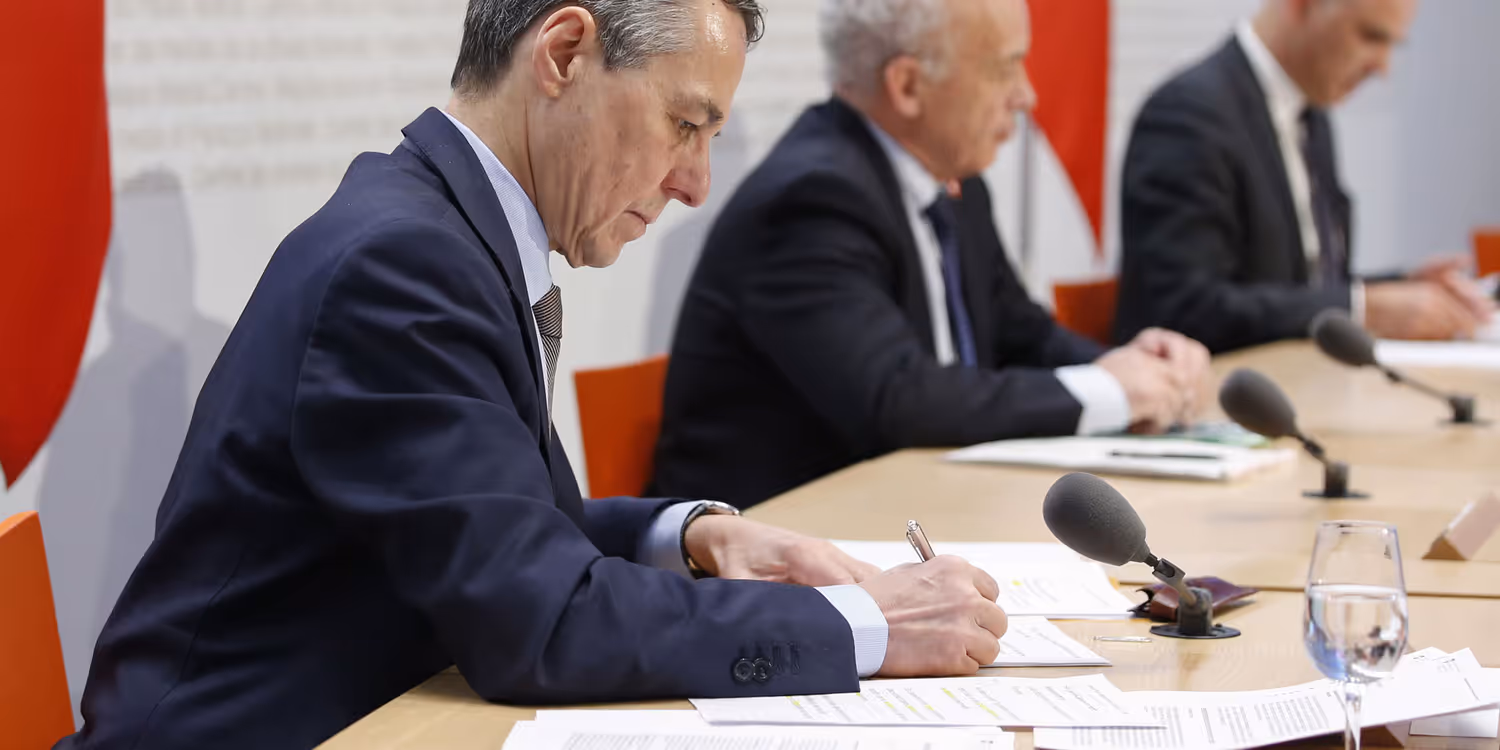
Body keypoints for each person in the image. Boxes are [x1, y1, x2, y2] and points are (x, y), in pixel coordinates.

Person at [57, 2, 1010, 748]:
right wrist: (862, 624)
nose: (695, 183)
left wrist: (692, 536)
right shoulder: (403, 266)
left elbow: (492, 528)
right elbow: (542, 621)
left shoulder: (440, 230)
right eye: (685, 123)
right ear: (563, 54)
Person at [650, 0, 1212, 509]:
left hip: (913, 516)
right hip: (771, 547)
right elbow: (898, 401)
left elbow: (1025, 336)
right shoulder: (810, 199)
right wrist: (1112, 391)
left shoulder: (953, 181)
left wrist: (1137, 369)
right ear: (908, 86)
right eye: (1005, 68)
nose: (1027, 96)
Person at [1115, 0, 1495, 354]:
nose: (1383, 67)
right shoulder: (1188, 116)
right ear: (1300, 5)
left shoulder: (1310, 112)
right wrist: (1362, 308)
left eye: (1392, 44)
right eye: (1370, 36)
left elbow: (1300, 287)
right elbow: (1186, 311)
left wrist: (1398, 289)